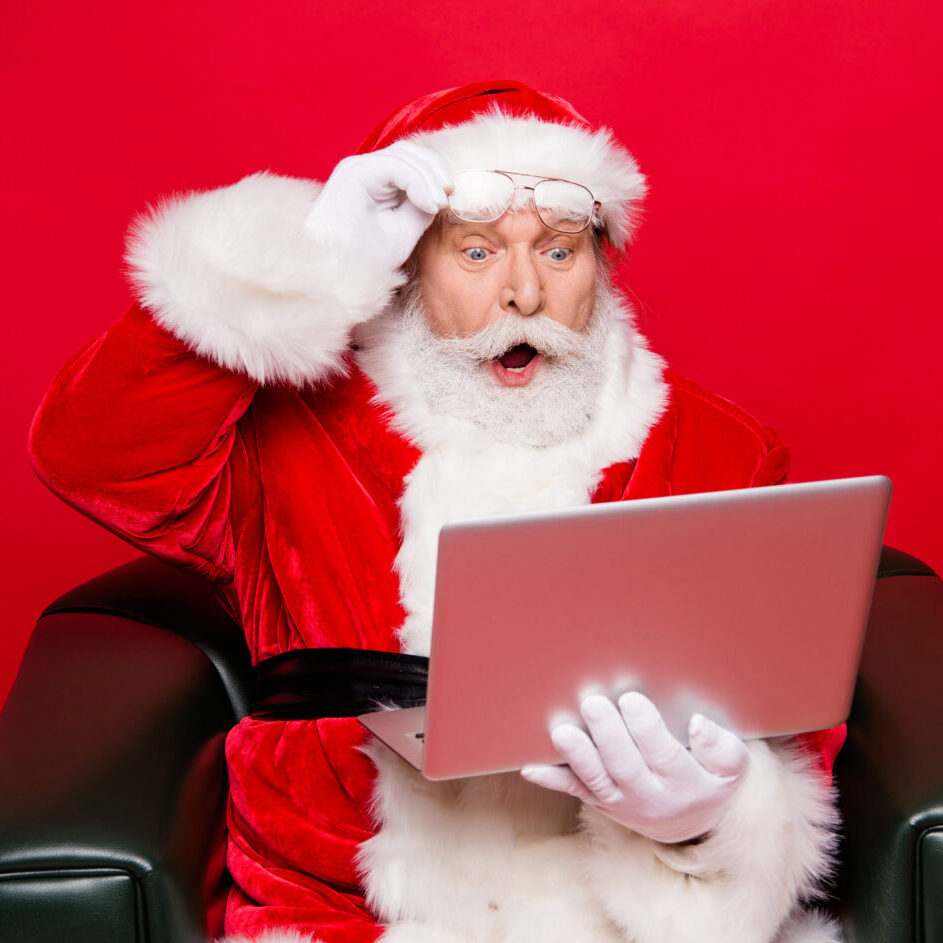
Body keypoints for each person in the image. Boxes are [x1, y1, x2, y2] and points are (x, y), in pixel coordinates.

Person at [30, 80, 846, 943]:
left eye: (560, 252)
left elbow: (791, 715)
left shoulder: (723, 450)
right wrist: (299, 266)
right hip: (354, 915)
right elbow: (88, 454)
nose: (524, 293)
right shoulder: (287, 426)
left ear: (602, 267)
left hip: (617, 921)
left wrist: (710, 818)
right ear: (407, 267)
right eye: (478, 251)